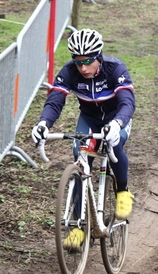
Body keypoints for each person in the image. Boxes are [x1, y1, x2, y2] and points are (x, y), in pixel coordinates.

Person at [32, 28, 135, 249]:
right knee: (80, 160)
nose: (83, 68)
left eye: (88, 61)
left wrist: (117, 124)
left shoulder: (115, 68)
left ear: (98, 56)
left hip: (117, 118)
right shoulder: (70, 72)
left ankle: (123, 191)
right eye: (78, 62)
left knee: (114, 147)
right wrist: (43, 123)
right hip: (90, 119)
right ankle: (78, 229)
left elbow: (127, 103)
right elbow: (55, 101)